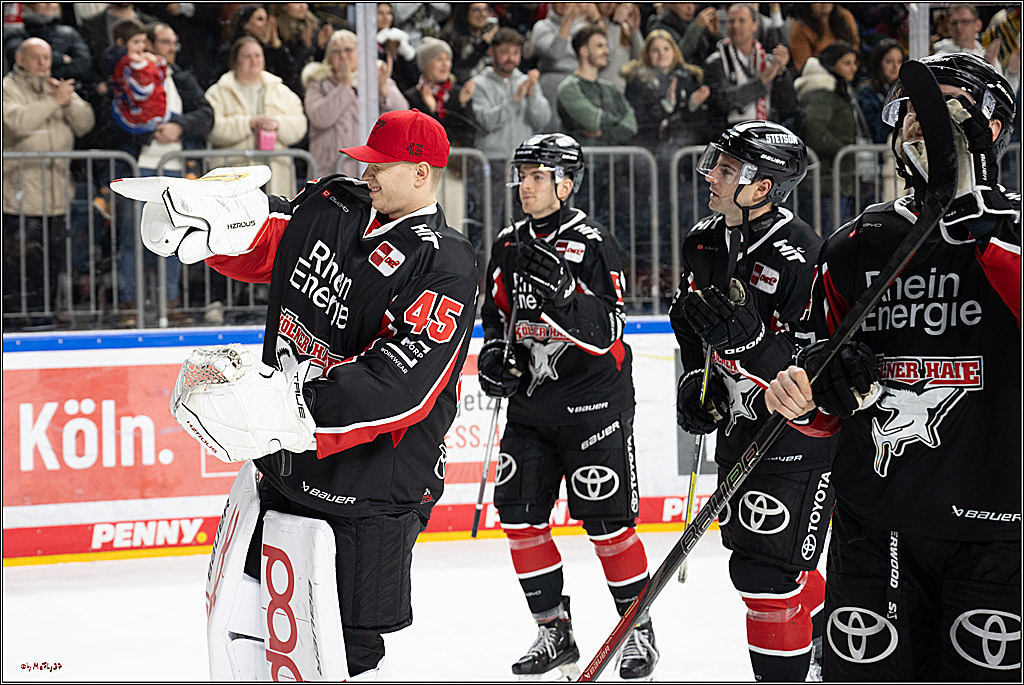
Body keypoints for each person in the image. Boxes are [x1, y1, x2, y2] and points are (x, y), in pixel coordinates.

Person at [111, 108, 479, 680]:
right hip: (286, 468)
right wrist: (211, 231)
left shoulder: (446, 262)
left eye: (383, 166)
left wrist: (290, 409)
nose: (368, 173)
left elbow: (402, 387)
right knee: (260, 629)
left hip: (371, 491)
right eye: (366, 161)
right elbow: (271, 246)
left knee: (343, 654)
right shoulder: (336, 202)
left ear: (424, 173)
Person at [764, 52, 1021, 681]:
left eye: (943, 107)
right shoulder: (856, 244)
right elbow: (819, 405)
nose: (917, 121)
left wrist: (987, 238)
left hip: (998, 533)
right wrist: (802, 392)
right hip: (874, 522)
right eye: (908, 108)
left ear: (990, 127)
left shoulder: (1016, 229)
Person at [479, 133, 659, 681]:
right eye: (522, 175)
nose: (525, 186)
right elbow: (497, 315)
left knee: (607, 525)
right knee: (519, 516)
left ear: (566, 182)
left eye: (538, 176)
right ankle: (553, 631)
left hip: (593, 407)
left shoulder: (592, 242)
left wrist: (565, 293)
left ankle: (637, 634)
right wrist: (494, 356)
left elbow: (608, 330)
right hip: (532, 410)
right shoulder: (508, 243)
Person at [668, 120, 835, 682]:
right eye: (717, 162)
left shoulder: (802, 254)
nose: (711, 175)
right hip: (738, 429)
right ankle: (828, 619)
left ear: (763, 187)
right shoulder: (702, 240)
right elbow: (690, 324)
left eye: (727, 168)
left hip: (796, 437)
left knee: (765, 575)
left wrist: (756, 348)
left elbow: (818, 365)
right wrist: (696, 382)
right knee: (764, 566)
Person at [112, 21, 214, 326]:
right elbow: (116, 118)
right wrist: (148, 130)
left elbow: (206, 114)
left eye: (174, 43)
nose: (171, 49)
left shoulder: (180, 77)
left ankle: (170, 303)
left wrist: (179, 126)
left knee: (175, 238)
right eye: (165, 42)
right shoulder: (130, 73)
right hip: (138, 167)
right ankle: (131, 305)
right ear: (150, 44)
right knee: (132, 239)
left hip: (175, 170)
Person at [2, 36, 95, 327]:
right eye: (35, 57)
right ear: (19, 60)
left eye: (46, 57)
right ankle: (19, 315)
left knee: (52, 260)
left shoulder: (56, 85)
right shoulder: (8, 88)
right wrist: (51, 102)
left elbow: (85, 123)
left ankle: (44, 313)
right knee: (22, 258)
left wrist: (66, 103)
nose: (43, 63)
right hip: (20, 192)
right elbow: (14, 123)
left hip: (56, 192)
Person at [470, 27, 551, 231]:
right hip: (493, 163)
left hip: (523, 164)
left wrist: (532, 96)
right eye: (505, 52)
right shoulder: (479, 84)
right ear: (492, 52)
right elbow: (485, 121)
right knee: (490, 222)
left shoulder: (526, 81)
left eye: (515, 53)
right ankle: (486, 262)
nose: (510, 58)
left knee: (524, 222)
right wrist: (514, 100)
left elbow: (542, 120)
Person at [205, 36, 307, 197]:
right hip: (233, 179)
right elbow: (212, 129)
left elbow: (300, 125)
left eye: (258, 55)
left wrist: (277, 124)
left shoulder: (281, 90)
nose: (254, 61)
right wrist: (249, 124)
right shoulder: (217, 92)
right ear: (235, 60)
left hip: (275, 178)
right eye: (247, 56)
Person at [303, 29, 408, 178]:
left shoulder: (374, 77)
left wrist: (384, 88)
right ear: (328, 56)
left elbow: (402, 111)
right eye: (336, 51)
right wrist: (345, 86)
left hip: (367, 169)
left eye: (348, 50)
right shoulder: (317, 81)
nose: (343, 56)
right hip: (329, 170)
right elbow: (320, 118)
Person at [795, 41, 873, 236]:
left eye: (854, 62)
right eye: (847, 63)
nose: (853, 68)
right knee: (828, 238)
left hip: (838, 180)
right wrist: (843, 149)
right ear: (832, 65)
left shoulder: (842, 92)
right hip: (825, 182)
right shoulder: (823, 94)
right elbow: (815, 131)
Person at [702, 4, 797, 141]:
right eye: (731, 21)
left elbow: (789, 105)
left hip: (767, 134)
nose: (736, 26)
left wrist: (781, 74)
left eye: (742, 21)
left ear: (754, 25)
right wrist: (765, 77)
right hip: (730, 138)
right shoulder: (714, 62)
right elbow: (724, 102)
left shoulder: (770, 60)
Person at [523, 2, 602, 131]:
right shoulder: (542, 26)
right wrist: (567, 21)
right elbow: (555, 54)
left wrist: (597, 19)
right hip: (552, 82)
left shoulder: (583, 27)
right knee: (554, 132)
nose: (565, 3)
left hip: (580, 81)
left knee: (581, 130)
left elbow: (602, 55)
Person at [556, 23, 638, 145]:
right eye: (600, 46)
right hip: (582, 160)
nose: (606, 51)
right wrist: (617, 125)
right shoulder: (569, 87)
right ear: (584, 51)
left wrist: (603, 133)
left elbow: (631, 126)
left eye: (606, 46)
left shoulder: (611, 88)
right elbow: (593, 121)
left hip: (614, 161)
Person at [934, 4, 1020, 91]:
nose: (959, 27)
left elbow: (1004, 97)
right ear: (948, 26)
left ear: (978, 25)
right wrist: (986, 69)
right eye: (954, 23)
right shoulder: (942, 58)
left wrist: (1013, 73)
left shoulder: (986, 54)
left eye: (965, 22)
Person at [3, 2, 92, 83]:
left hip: (67, 88)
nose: (49, 4)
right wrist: (61, 58)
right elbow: (20, 60)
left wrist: (51, 77)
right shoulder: (16, 33)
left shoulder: (69, 33)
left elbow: (84, 66)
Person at [788, 3, 859, 75]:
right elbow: (805, 68)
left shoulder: (845, 17)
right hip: (819, 79)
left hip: (852, 76)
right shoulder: (799, 29)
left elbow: (855, 47)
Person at [857, 38, 904, 144]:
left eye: (899, 61)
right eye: (889, 61)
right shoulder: (867, 92)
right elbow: (877, 133)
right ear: (879, 63)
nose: (895, 67)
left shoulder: (906, 90)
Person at [441, 2, 499, 85]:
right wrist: (483, 45)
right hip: (464, 85)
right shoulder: (451, 35)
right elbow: (459, 70)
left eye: (485, 9)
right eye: (476, 10)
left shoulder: (490, 33)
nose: (482, 15)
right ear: (465, 12)